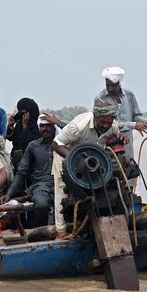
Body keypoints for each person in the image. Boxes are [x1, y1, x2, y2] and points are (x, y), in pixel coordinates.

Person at [51, 102, 121, 239]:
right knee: (62, 193)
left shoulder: (113, 126)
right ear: (95, 116)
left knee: (98, 190)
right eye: (103, 122)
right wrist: (74, 160)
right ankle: (61, 233)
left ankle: (95, 227)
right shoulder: (78, 126)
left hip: (92, 161)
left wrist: (120, 138)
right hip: (66, 157)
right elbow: (56, 143)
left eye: (109, 122)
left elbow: (113, 139)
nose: (106, 126)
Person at [0, 115, 59, 228]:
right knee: (41, 204)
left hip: (62, 184)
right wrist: (9, 193)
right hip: (41, 186)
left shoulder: (63, 144)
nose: (45, 129)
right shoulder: (33, 146)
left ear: (54, 127)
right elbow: (21, 172)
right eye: (42, 126)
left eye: (48, 126)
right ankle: (40, 232)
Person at [94, 66, 147, 160]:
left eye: (113, 85)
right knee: (111, 166)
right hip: (108, 141)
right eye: (108, 85)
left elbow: (136, 116)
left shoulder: (129, 95)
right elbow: (108, 124)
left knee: (129, 167)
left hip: (127, 142)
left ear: (119, 83)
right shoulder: (100, 98)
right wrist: (134, 125)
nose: (110, 88)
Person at [6, 97, 42, 168]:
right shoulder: (20, 123)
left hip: (31, 161)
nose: (23, 115)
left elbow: (29, 142)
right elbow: (11, 138)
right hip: (16, 159)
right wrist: (11, 125)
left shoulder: (38, 125)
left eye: (25, 112)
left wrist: (25, 127)